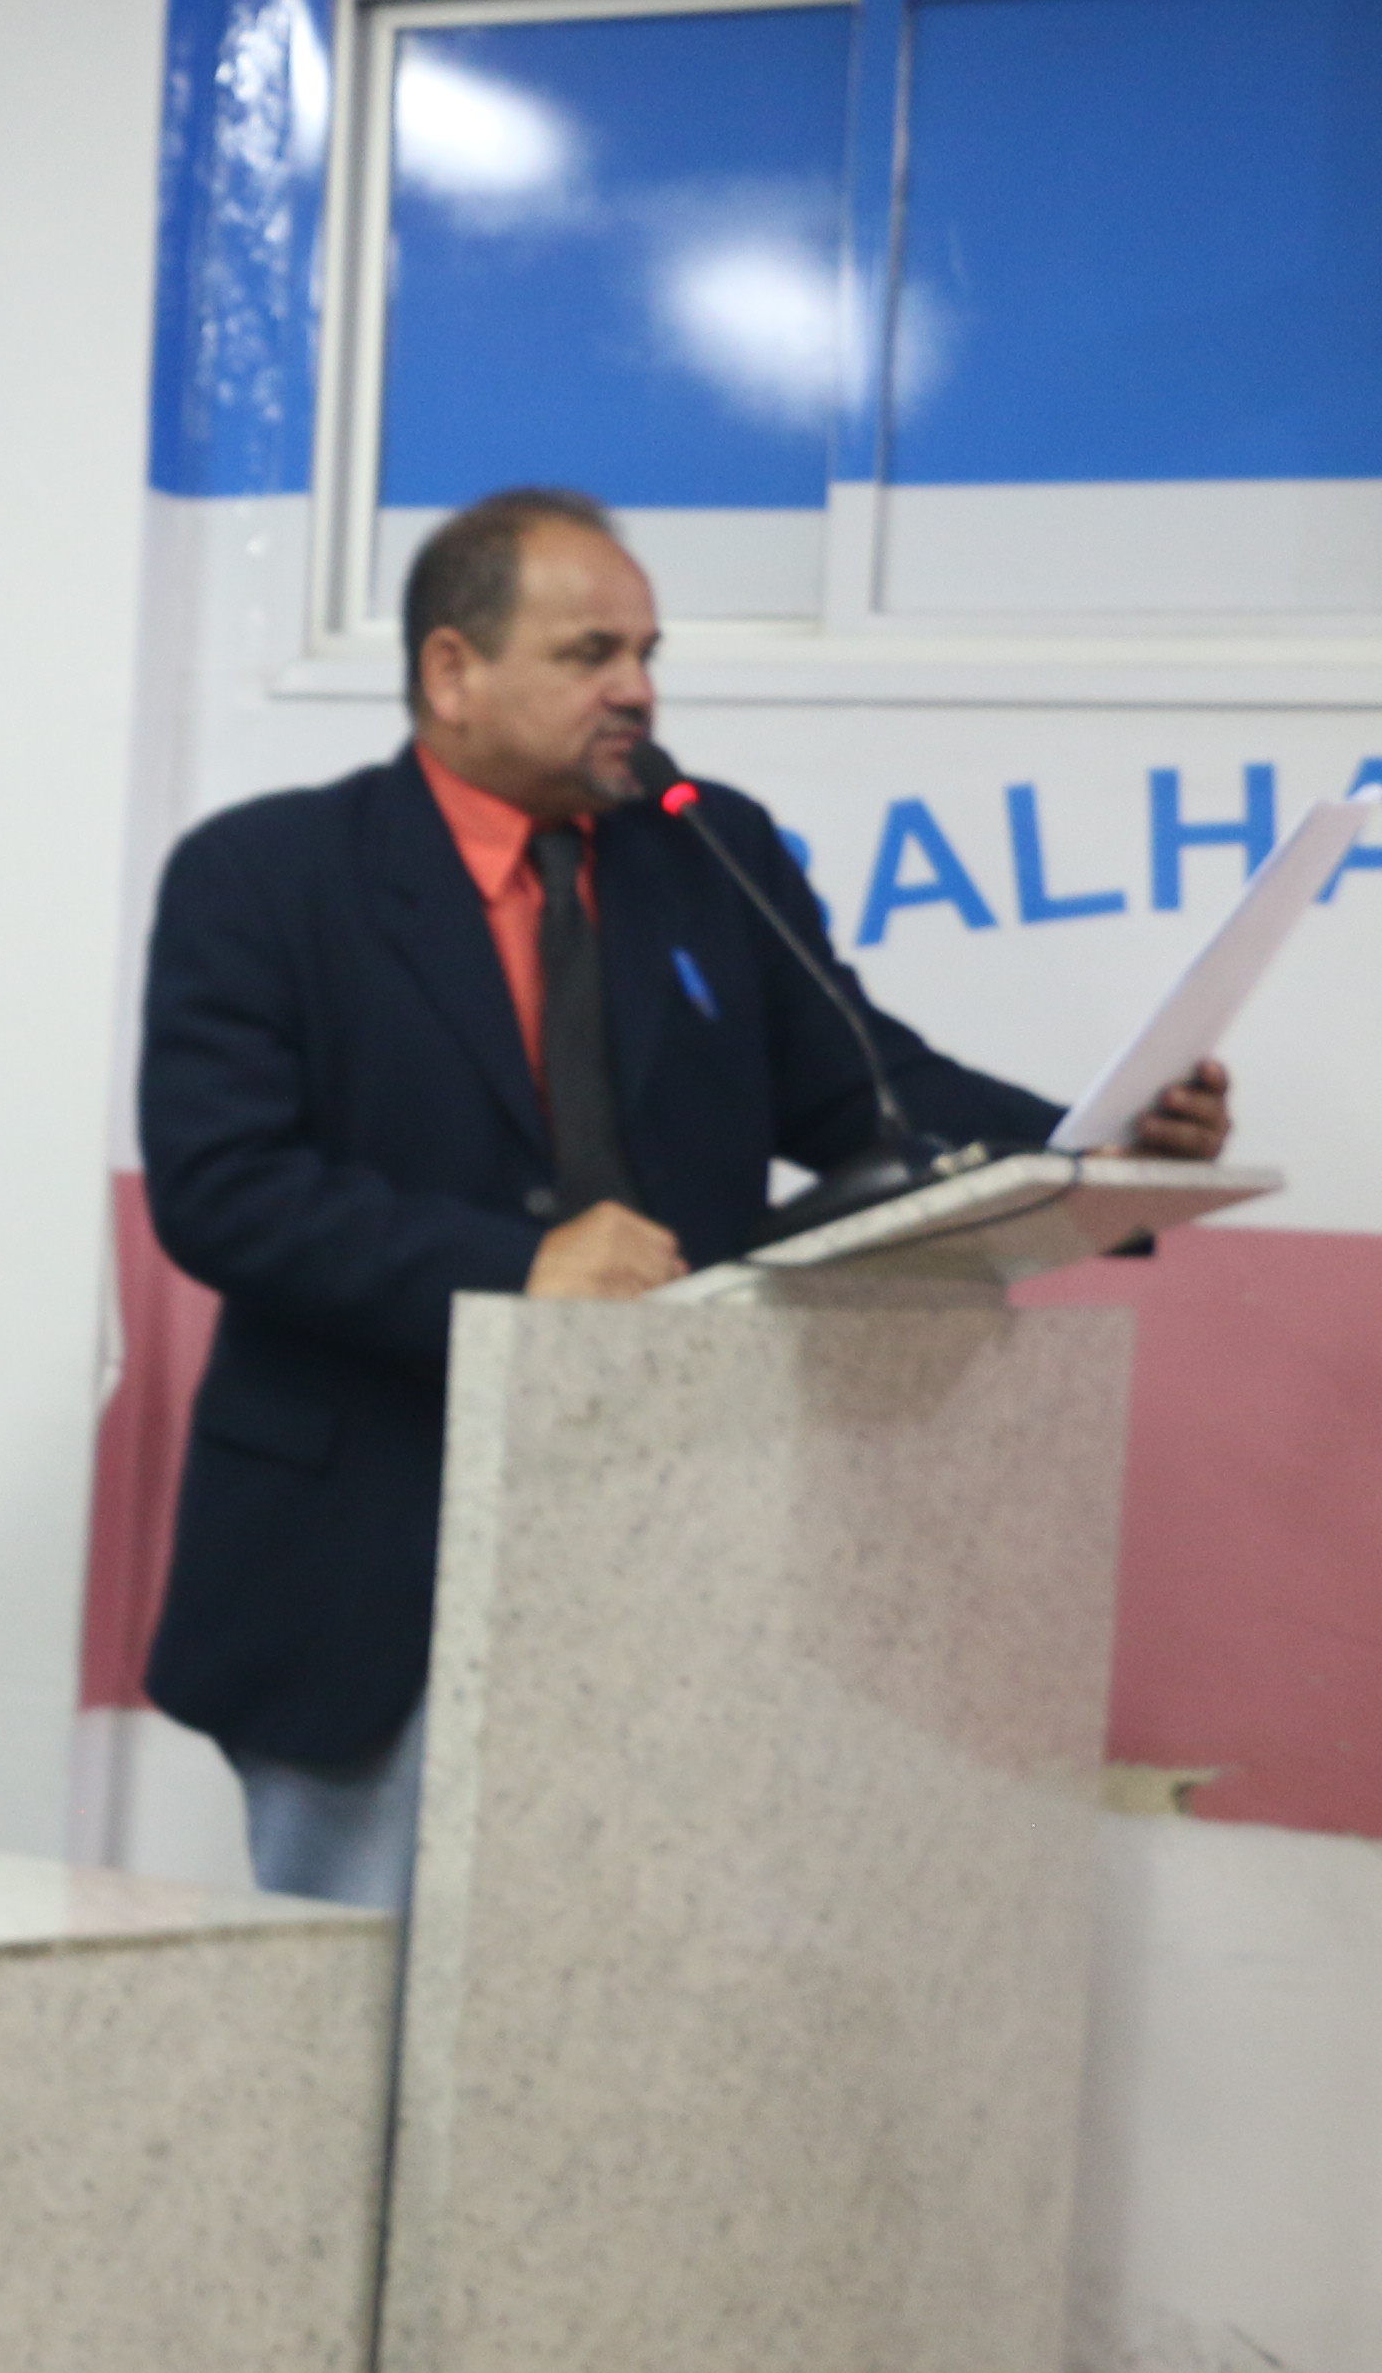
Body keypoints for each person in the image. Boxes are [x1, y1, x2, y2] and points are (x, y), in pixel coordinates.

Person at [139, 487, 1234, 1905]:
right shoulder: (264, 875)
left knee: (635, 1985)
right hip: (370, 1562)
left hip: (677, 1530)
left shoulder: (708, 849)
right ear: (452, 671)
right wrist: (519, 1267)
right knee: (370, 2001)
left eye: (647, 654)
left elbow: (865, 1090)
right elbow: (226, 1190)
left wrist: (1100, 1147)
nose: (637, 691)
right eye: (590, 654)